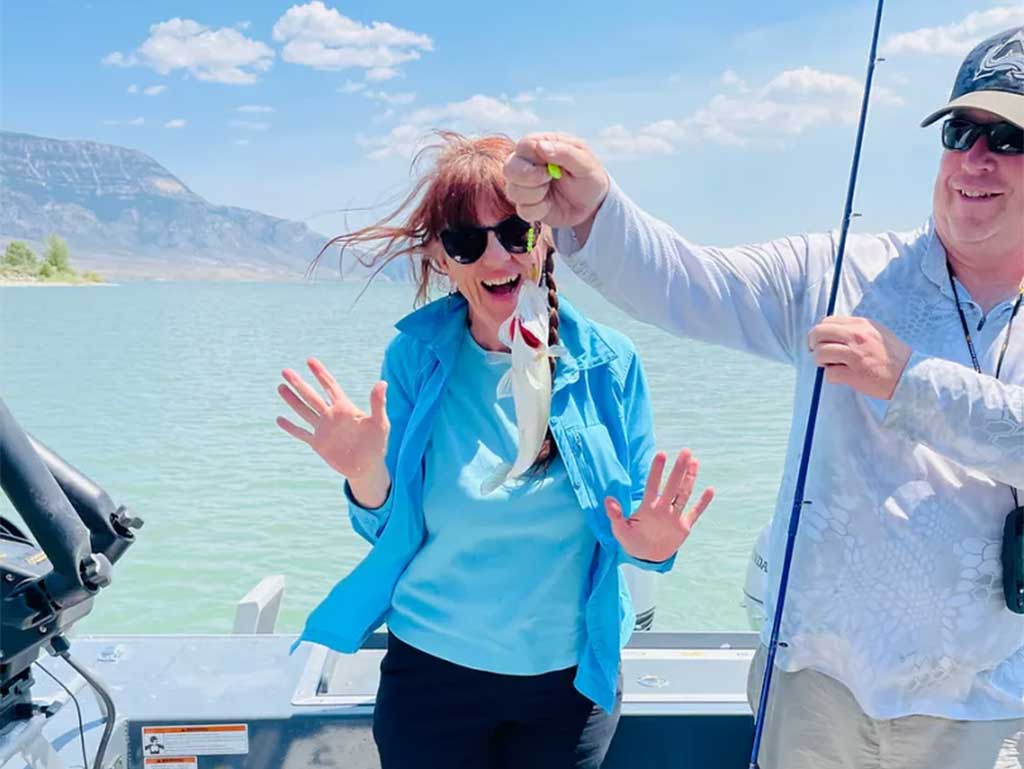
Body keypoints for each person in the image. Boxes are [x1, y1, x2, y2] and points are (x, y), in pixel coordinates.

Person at [503, 25, 1024, 769]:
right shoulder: (834, 272)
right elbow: (687, 282)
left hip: (985, 704)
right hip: (813, 687)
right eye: (961, 130)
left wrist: (908, 382)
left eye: (1008, 138)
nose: (976, 158)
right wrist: (594, 211)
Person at [278, 132, 715, 769]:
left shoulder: (609, 364)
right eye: (465, 240)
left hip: (569, 683)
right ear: (439, 257)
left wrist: (654, 547)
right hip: (432, 674)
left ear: (546, 237)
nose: (495, 257)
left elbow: (632, 531)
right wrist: (363, 472)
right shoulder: (414, 359)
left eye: (515, 231)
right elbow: (385, 526)